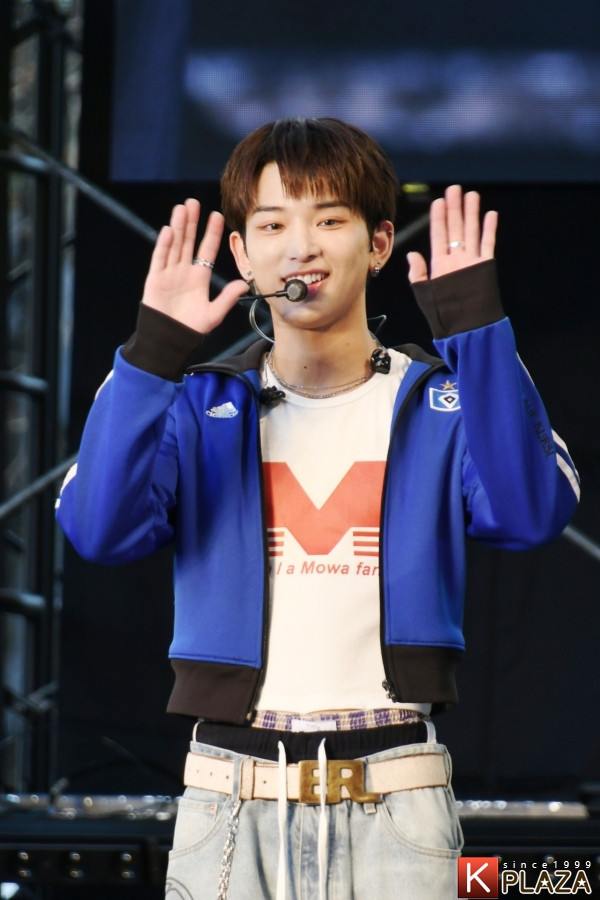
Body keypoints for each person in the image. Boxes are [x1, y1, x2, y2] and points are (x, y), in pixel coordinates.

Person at [56, 117, 579, 900]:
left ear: (378, 244)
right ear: (242, 255)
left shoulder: (443, 399)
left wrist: (477, 333)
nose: (300, 246)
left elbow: (531, 512)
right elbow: (98, 529)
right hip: (228, 796)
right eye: (272, 225)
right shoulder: (192, 404)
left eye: (329, 220)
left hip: (398, 791)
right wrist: (153, 352)